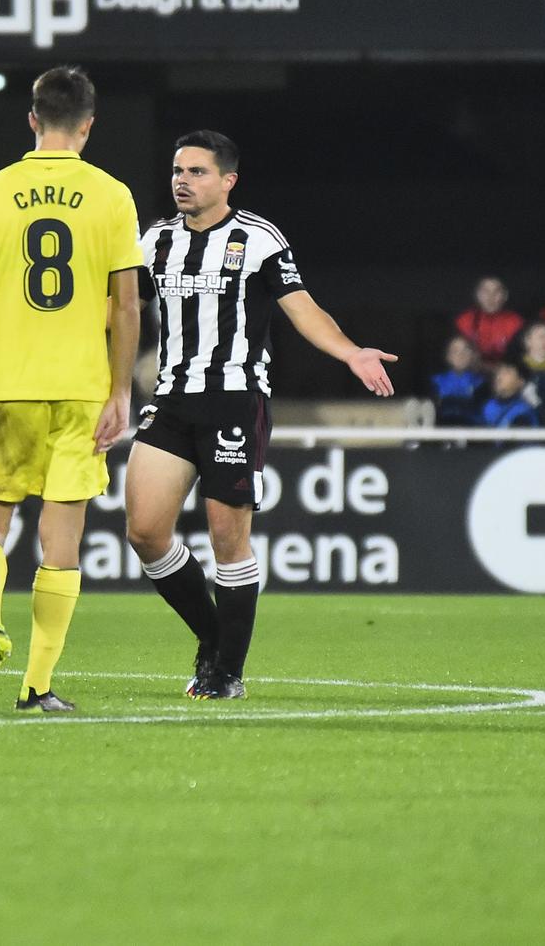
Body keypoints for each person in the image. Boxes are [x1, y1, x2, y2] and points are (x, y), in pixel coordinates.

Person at [125, 130, 395, 700]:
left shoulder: (258, 238)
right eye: (178, 170)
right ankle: (214, 637)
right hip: (171, 399)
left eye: (197, 172)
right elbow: (116, 308)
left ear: (228, 181)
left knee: (228, 540)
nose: (182, 180)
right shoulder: (153, 241)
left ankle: (227, 672)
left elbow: (303, 308)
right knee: (145, 531)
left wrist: (350, 351)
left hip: (235, 399)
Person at [0, 67, 143, 715]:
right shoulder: (111, 196)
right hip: (80, 389)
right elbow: (126, 307)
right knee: (60, 543)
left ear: (33, 120)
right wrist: (120, 390)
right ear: (89, 125)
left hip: (8, 383)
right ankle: (37, 686)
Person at [455, 275, 524, 365]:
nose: (490, 297)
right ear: (477, 295)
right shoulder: (464, 320)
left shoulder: (516, 322)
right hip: (472, 371)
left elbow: (519, 357)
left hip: (504, 372)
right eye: (485, 292)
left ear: (505, 296)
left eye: (497, 291)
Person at [431, 335, 487, 427]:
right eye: (455, 351)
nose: (461, 355)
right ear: (447, 356)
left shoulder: (482, 383)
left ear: (472, 355)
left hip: (472, 433)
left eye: (465, 350)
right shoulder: (436, 382)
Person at [481, 361, 541, 427]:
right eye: (499, 372)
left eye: (506, 372)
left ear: (520, 381)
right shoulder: (487, 404)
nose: (499, 377)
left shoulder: (523, 412)